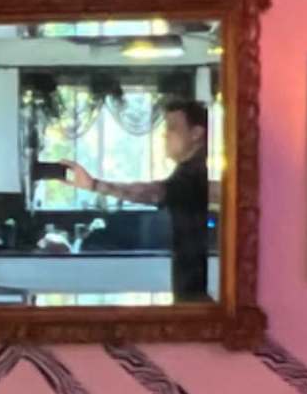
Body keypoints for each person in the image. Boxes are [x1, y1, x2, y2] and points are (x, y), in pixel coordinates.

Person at [62, 97, 215, 302]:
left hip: (195, 297)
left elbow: (153, 193)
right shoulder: (190, 172)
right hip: (190, 294)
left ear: (196, 134)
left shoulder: (194, 175)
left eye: (172, 128)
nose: (164, 135)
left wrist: (94, 185)